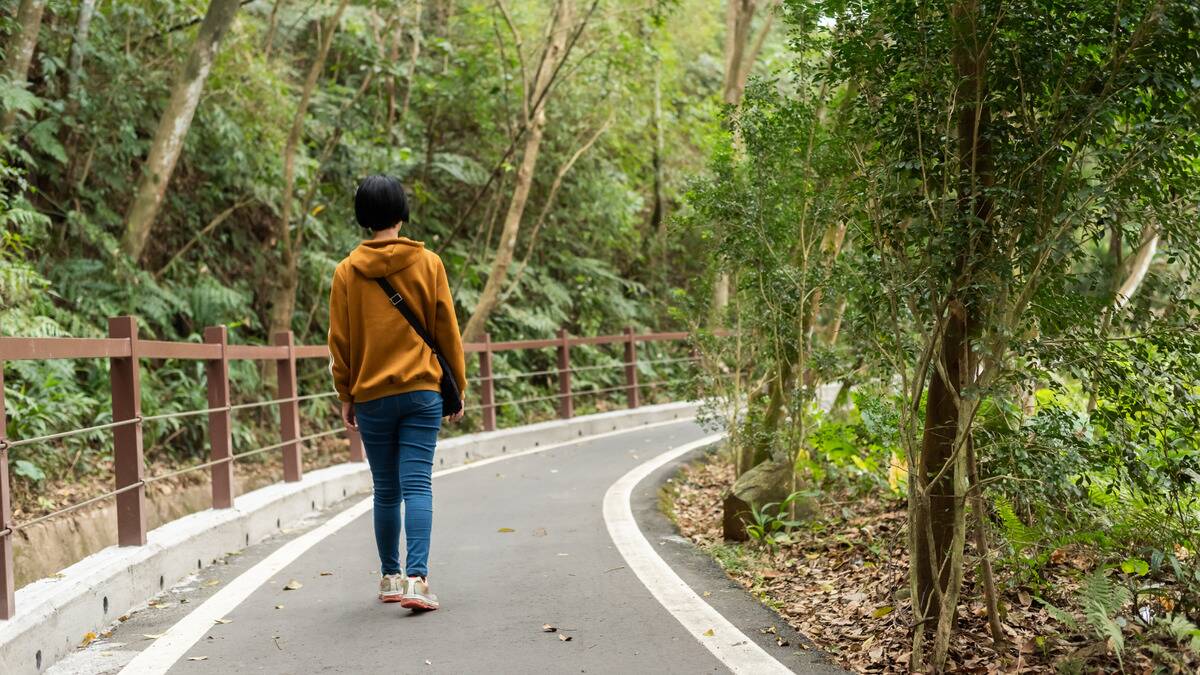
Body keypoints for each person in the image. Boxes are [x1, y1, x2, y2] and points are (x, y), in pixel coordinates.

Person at [328, 174, 467, 611]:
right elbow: (447, 332)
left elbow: (340, 342)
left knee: (386, 489)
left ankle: (389, 578)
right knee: (418, 486)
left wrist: (346, 393)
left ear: (362, 217)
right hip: (422, 390)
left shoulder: (347, 272)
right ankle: (417, 581)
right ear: (402, 212)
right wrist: (456, 388)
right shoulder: (429, 264)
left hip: (371, 395)